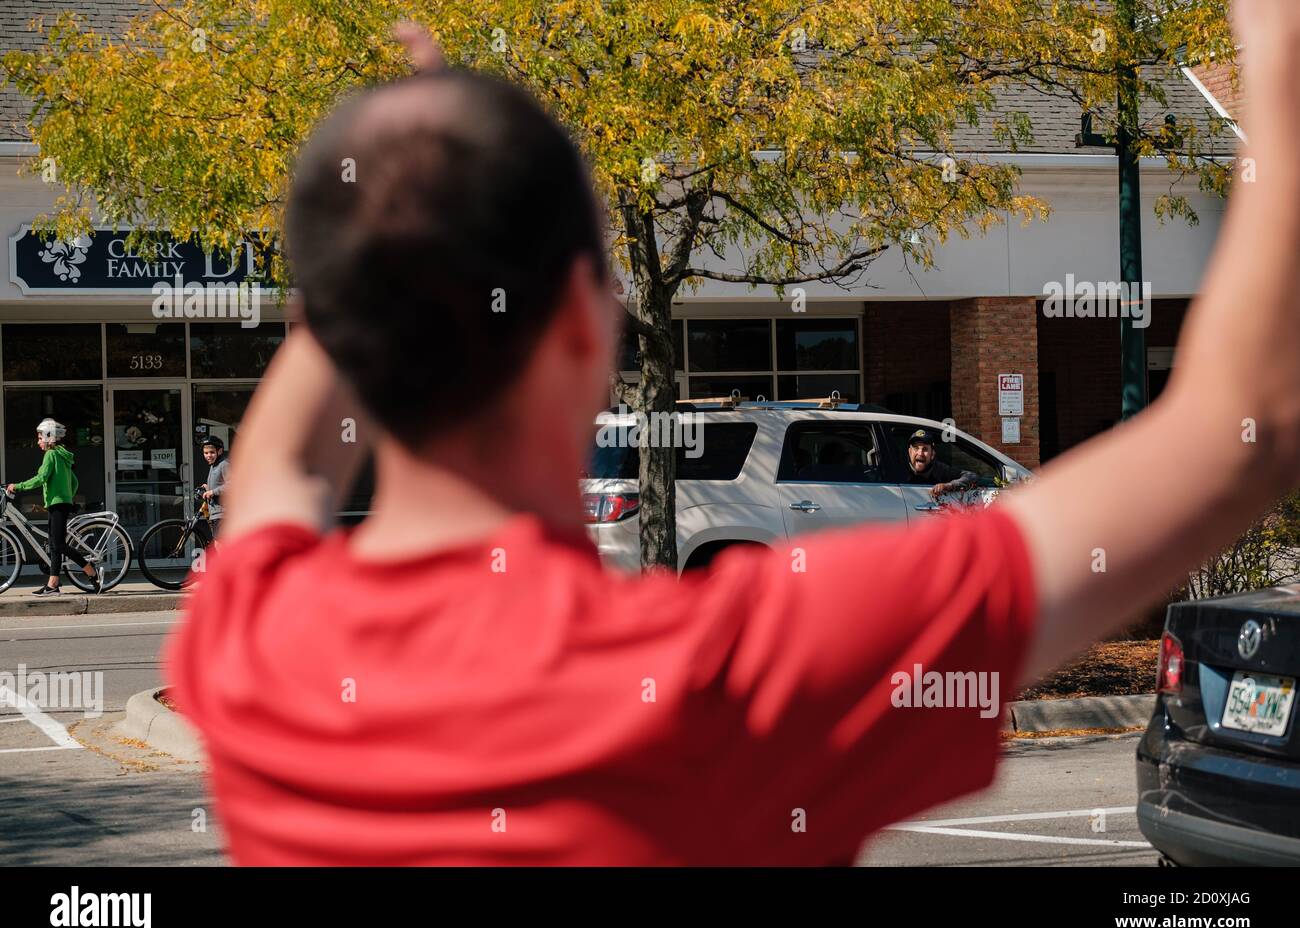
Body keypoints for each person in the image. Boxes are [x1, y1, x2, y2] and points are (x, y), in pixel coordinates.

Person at [168, 4, 1300, 865]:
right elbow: (1244, 423)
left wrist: (395, 185)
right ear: (584, 320)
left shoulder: (252, 636)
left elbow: (283, 461)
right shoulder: (710, 686)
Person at [6, 419, 101, 596]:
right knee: (55, 546)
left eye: (40, 437)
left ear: (49, 437)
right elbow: (74, 481)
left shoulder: (51, 455)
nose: (38, 441)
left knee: (59, 545)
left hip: (57, 504)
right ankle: (53, 584)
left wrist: (18, 486)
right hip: (60, 503)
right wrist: (68, 497)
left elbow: (41, 478)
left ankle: (90, 570)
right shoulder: (62, 455)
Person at [904, 428, 978, 499]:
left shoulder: (939, 469)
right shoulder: (898, 466)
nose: (920, 453)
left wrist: (948, 485)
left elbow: (971, 476)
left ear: (932, 454)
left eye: (925, 449)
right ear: (910, 452)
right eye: (916, 448)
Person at [199, 436, 229, 539]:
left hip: (223, 512)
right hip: (216, 511)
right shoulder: (213, 465)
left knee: (220, 545)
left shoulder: (224, 464)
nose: (208, 455)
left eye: (212, 452)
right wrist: (208, 488)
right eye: (206, 453)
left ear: (219, 451)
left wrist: (213, 492)